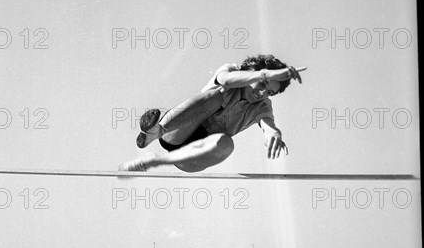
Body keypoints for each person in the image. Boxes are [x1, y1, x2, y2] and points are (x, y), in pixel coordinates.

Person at [119, 55, 306, 173]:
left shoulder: (262, 105)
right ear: (250, 73)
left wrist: (274, 134)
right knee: (215, 96)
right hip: (176, 132)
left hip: (192, 156)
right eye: (263, 85)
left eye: (270, 92)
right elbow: (225, 79)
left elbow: (268, 124)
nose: (262, 93)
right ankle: (155, 131)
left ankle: (157, 161)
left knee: (226, 143)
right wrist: (265, 74)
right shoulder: (230, 71)